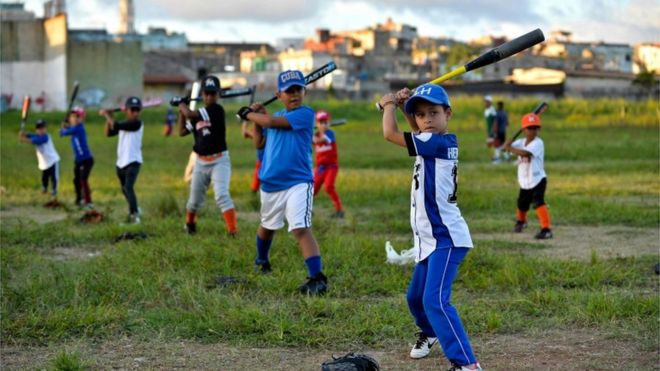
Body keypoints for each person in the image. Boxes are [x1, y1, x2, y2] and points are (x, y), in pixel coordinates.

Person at [379, 84, 482, 371]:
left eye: (434, 113)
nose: (427, 120)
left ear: (448, 114)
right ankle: (432, 331)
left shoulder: (440, 143)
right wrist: (402, 106)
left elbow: (390, 134)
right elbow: (417, 129)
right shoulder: (431, 140)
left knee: (435, 300)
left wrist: (388, 105)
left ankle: (466, 364)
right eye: (421, 115)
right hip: (428, 239)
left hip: (447, 237)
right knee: (415, 298)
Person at [237, 69, 328, 295]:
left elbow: (270, 121)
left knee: (300, 227)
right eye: (289, 91)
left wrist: (250, 115)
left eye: (298, 89)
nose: (294, 94)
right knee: (267, 227)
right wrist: (257, 120)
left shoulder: (305, 114)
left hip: (298, 182)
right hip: (271, 184)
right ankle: (261, 261)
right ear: (279, 94)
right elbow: (259, 143)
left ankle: (317, 277)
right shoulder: (275, 116)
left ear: (304, 92)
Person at [172, 75, 238, 236]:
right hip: (201, 163)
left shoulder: (215, 110)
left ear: (218, 95)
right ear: (202, 94)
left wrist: (181, 104)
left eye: (212, 93)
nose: (209, 97)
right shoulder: (197, 115)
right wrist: (182, 110)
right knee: (194, 201)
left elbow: (190, 113)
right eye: (206, 93)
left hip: (219, 161)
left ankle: (232, 231)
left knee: (222, 195)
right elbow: (181, 132)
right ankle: (190, 224)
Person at [504, 113, 553, 239]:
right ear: (524, 130)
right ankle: (521, 221)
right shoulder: (520, 142)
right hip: (524, 180)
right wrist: (507, 144)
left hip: (538, 179)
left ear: (539, 129)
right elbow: (507, 148)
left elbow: (526, 154)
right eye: (529, 128)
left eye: (535, 128)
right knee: (522, 204)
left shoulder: (538, 143)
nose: (533, 131)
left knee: (538, 202)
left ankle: (546, 229)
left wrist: (510, 148)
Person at [100, 97, 144, 224]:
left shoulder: (137, 124)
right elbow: (108, 133)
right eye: (132, 110)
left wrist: (107, 116)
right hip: (121, 163)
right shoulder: (123, 124)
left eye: (137, 110)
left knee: (129, 187)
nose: (135, 113)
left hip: (133, 161)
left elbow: (116, 125)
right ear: (127, 110)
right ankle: (135, 208)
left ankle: (134, 215)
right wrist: (109, 118)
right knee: (124, 189)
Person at [19, 119, 61, 206]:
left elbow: (36, 140)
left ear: (45, 129)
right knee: (44, 177)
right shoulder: (37, 135)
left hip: (53, 161)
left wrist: (24, 139)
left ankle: (54, 192)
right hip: (45, 163)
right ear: (36, 130)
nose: (41, 130)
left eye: (42, 128)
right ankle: (44, 189)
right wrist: (25, 134)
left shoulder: (46, 137)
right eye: (39, 129)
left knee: (54, 178)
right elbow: (32, 136)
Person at [60, 106, 95, 208]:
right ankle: (79, 199)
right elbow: (67, 130)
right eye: (72, 116)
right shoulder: (73, 128)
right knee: (76, 180)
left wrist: (63, 128)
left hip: (86, 160)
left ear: (81, 118)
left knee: (83, 179)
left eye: (77, 117)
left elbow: (63, 133)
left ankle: (89, 202)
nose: (74, 119)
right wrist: (66, 127)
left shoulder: (79, 128)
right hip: (78, 160)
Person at [313, 110, 344, 218]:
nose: (323, 125)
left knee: (329, 187)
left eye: (325, 122)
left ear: (329, 123)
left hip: (331, 167)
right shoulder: (315, 134)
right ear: (316, 124)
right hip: (320, 168)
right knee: (312, 190)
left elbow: (321, 140)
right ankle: (306, 210)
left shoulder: (330, 134)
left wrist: (311, 136)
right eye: (320, 122)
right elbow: (307, 142)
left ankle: (339, 210)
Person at [241, 120, 264, 193]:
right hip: (261, 159)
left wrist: (245, 123)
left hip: (265, 160)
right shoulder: (260, 126)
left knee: (258, 182)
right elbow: (245, 134)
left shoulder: (265, 127)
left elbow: (253, 136)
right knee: (257, 182)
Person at [483, 95, 497, 162]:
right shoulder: (486, 110)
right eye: (485, 102)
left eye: (486, 102)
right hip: (489, 130)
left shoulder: (492, 110)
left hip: (493, 130)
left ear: (490, 102)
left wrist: (493, 130)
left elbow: (495, 120)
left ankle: (496, 157)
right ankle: (496, 156)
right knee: (491, 144)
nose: (485, 103)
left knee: (493, 144)